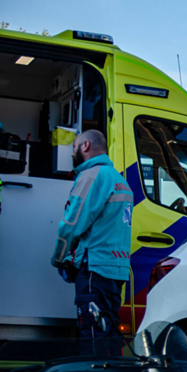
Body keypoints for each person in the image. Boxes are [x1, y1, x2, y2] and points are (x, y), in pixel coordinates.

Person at [50, 130, 133, 356]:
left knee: (93, 334)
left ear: (85, 146)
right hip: (115, 270)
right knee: (110, 331)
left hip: (94, 269)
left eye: (75, 146)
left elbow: (71, 224)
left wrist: (59, 259)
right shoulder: (119, 180)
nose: (72, 153)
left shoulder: (91, 176)